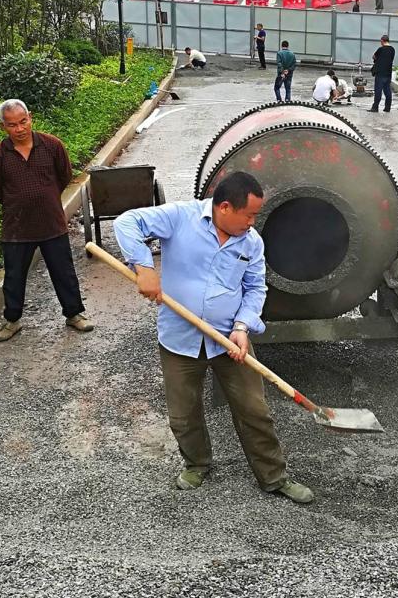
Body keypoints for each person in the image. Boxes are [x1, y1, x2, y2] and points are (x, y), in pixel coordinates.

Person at [113, 171, 314, 504]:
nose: (253, 222)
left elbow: (255, 288)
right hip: (179, 339)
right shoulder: (180, 218)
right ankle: (197, 464)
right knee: (183, 413)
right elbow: (126, 222)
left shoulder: (251, 242)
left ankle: (274, 476)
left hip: (229, 341)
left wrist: (242, 327)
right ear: (223, 207)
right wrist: (144, 267)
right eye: (248, 214)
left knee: (255, 410)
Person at [0, 99, 94, 342]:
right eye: (12, 125)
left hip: (51, 221)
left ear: (30, 117)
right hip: (16, 225)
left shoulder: (52, 145)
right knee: (14, 276)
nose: (20, 128)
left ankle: (74, 314)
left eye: (23, 121)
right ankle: (12, 320)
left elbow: (64, 175)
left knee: (63, 270)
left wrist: (43, 196)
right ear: (3, 126)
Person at [368, 35, 395, 113]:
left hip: (380, 73)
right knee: (387, 91)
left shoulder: (381, 49)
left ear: (382, 41)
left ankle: (375, 107)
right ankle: (387, 107)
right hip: (388, 73)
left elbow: (374, 57)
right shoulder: (392, 50)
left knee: (378, 91)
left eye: (381, 41)